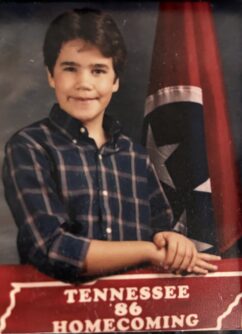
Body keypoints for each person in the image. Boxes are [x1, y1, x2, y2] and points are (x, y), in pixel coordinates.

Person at [2, 8, 220, 282]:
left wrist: (171, 241)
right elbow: (51, 248)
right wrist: (148, 251)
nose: (83, 83)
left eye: (98, 70)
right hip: (57, 314)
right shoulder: (30, 147)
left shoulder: (136, 158)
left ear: (115, 81)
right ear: (51, 75)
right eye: (70, 69)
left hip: (134, 312)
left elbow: (162, 231)